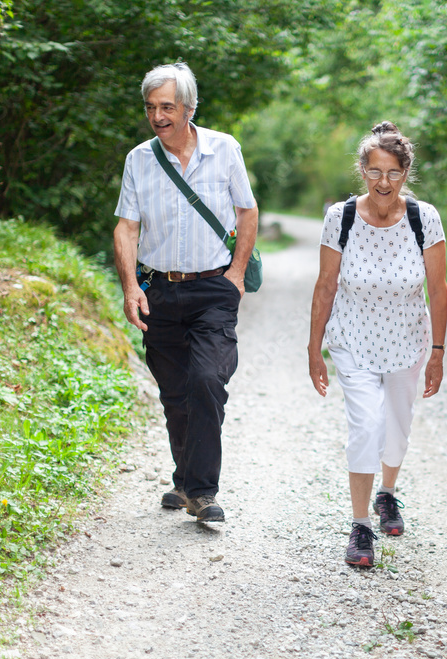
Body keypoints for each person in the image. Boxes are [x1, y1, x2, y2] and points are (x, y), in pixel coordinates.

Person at [113, 63, 259, 522]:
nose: (158, 116)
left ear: (189, 108)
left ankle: (203, 492)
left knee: (206, 380)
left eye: (167, 107)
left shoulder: (224, 149)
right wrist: (131, 286)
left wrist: (235, 275)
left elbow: (247, 212)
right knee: (176, 392)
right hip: (159, 289)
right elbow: (126, 227)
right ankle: (184, 480)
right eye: (151, 107)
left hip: (214, 287)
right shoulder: (139, 159)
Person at [308, 122, 447, 567]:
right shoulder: (341, 218)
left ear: (406, 173)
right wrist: (315, 349)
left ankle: (387, 492)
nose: (383, 182)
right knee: (367, 425)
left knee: (397, 428)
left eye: (392, 173)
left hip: (408, 340)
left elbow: (439, 289)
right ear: (362, 171)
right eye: (374, 171)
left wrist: (439, 354)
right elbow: (325, 285)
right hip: (353, 339)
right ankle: (361, 526)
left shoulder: (424, 218)